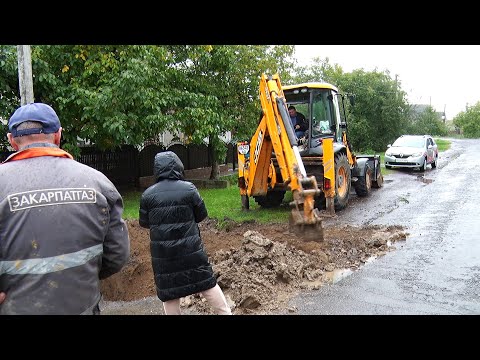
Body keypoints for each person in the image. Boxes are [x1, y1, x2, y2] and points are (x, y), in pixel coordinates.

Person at [0, 102, 130, 315]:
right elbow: (117, 255)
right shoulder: (97, 183)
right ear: (58, 135)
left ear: (12, 140)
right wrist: (81, 275)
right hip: (82, 306)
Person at [139, 151, 232, 315]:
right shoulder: (189, 189)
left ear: (157, 169)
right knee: (207, 283)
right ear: (178, 166)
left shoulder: (147, 195)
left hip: (164, 256)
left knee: (169, 293)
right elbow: (201, 215)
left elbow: (144, 223)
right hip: (191, 252)